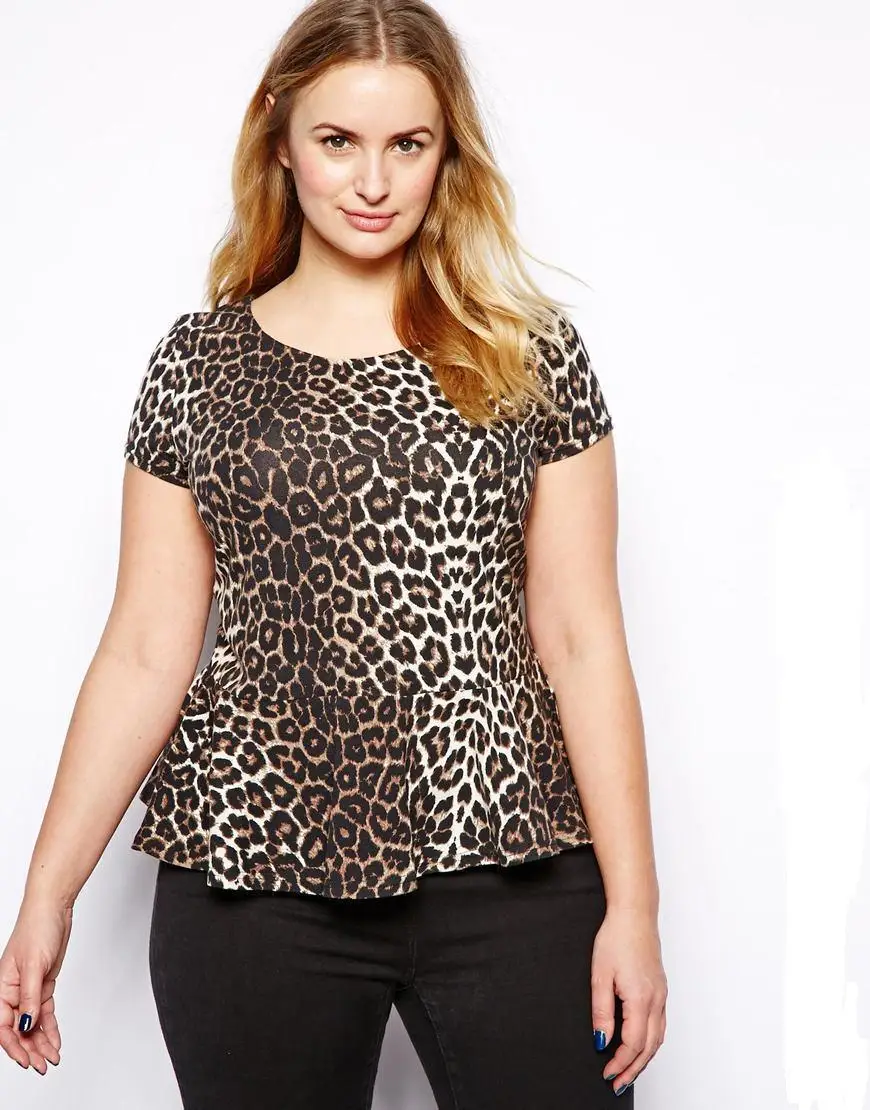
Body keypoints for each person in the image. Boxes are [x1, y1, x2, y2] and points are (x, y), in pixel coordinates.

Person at [0, 0, 667, 1105]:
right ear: (280, 138)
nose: (373, 181)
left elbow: (583, 637)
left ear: (447, 152)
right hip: (252, 876)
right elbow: (145, 648)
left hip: (511, 863)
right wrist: (47, 893)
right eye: (338, 140)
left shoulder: (529, 354)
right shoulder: (199, 366)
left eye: (408, 143)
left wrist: (635, 907)